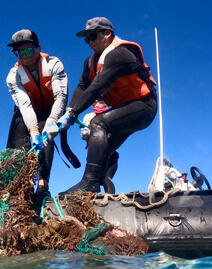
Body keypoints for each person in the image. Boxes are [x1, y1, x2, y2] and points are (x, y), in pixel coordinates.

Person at [44, 17, 157, 194]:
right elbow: (83, 87)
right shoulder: (90, 62)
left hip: (144, 107)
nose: (89, 42)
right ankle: (97, 188)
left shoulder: (121, 54)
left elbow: (97, 86)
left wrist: (72, 115)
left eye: (93, 36)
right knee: (106, 149)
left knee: (99, 123)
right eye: (86, 39)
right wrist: (67, 112)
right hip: (125, 107)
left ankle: (88, 182)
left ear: (108, 34)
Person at [6, 29, 71, 197]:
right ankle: (25, 183)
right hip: (28, 113)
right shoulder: (13, 76)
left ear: (38, 47)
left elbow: (61, 96)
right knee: (21, 125)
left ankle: (43, 185)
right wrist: (33, 130)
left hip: (51, 111)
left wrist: (52, 120)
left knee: (46, 135)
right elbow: (24, 105)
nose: (25, 56)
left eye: (28, 50)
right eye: (19, 53)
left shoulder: (54, 64)